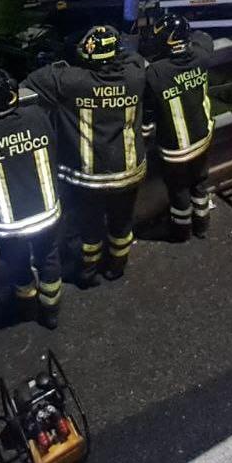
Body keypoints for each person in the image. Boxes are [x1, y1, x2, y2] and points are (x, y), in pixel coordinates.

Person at [23, 25, 147, 286]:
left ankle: (87, 273)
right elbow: (134, 57)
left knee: (88, 229)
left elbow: (33, 81)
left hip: (87, 179)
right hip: (128, 172)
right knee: (122, 224)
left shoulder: (69, 81)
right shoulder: (135, 76)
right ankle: (117, 266)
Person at [0, 67, 63, 328]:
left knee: (17, 265)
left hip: (7, 225)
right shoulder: (38, 116)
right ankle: (51, 311)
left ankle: (26, 306)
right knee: (48, 259)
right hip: (45, 213)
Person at [145, 13, 215, 241]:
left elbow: (147, 117)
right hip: (203, 137)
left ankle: (181, 230)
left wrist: (145, 138)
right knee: (200, 183)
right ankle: (202, 225)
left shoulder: (155, 73)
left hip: (175, 149)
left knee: (178, 190)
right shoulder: (202, 56)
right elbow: (204, 39)